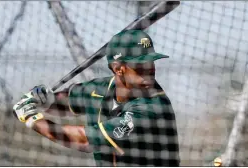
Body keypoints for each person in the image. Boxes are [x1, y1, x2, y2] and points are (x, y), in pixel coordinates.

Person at [13, 30, 180, 166]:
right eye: (140, 65)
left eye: (151, 61)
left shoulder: (153, 107)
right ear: (118, 69)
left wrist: (32, 118)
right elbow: (65, 102)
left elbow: (84, 140)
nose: (150, 68)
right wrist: (45, 100)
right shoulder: (99, 90)